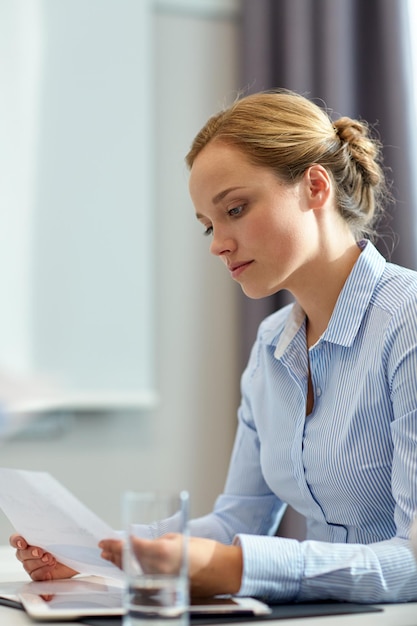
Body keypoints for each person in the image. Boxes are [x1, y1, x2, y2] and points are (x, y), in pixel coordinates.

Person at [10, 89, 417, 603]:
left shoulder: (408, 321)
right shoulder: (272, 344)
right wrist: (100, 550)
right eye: (208, 224)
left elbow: (413, 561)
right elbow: (238, 518)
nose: (217, 243)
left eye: (236, 209)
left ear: (315, 186)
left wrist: (236, 568)